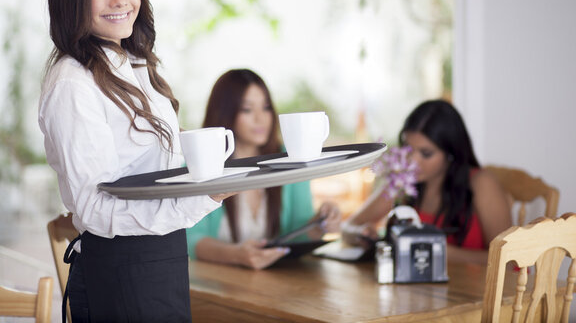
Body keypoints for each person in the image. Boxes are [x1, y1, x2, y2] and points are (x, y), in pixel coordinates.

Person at [38, 0, 232, 322]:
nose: (121, 0)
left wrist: (209, 181)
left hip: (161, 260)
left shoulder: (135, 65)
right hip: (121, 271)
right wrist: (203, 199)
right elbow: (95, 208)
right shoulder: (73, 83)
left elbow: (155, 172)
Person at [186, 69, 341, 269]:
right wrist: (236, 255)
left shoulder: (292, 160)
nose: (261, 118)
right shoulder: (202, 166)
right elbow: (190, 239)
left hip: (277, 285)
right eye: (247, 109)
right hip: (217, 284)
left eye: (266, 107)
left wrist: (319, 224)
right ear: (224, 112)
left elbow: (297, 234)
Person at [342, 100, 512, 265]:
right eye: (408, 149)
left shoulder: (482, 183)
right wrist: (361, 233)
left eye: (426, 153)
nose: (412, 161)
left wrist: (439, 250)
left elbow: (509, 259)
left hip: (472, 292)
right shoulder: (402, 182)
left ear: (450, 154)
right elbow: (347, 227)